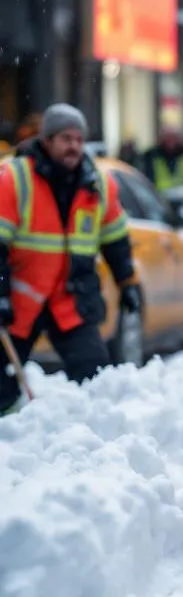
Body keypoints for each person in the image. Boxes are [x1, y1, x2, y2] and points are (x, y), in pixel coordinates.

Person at [0, 103, 141, 414]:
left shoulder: (99, 183)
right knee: (1, 386)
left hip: (71, 299)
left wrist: (127, 281)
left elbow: (115, 239)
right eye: (66, 138)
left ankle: (93, 435)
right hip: (23, 301)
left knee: (95, 379)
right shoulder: (14, 179)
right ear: (47, 140)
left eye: (79, 139)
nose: (74, 146)